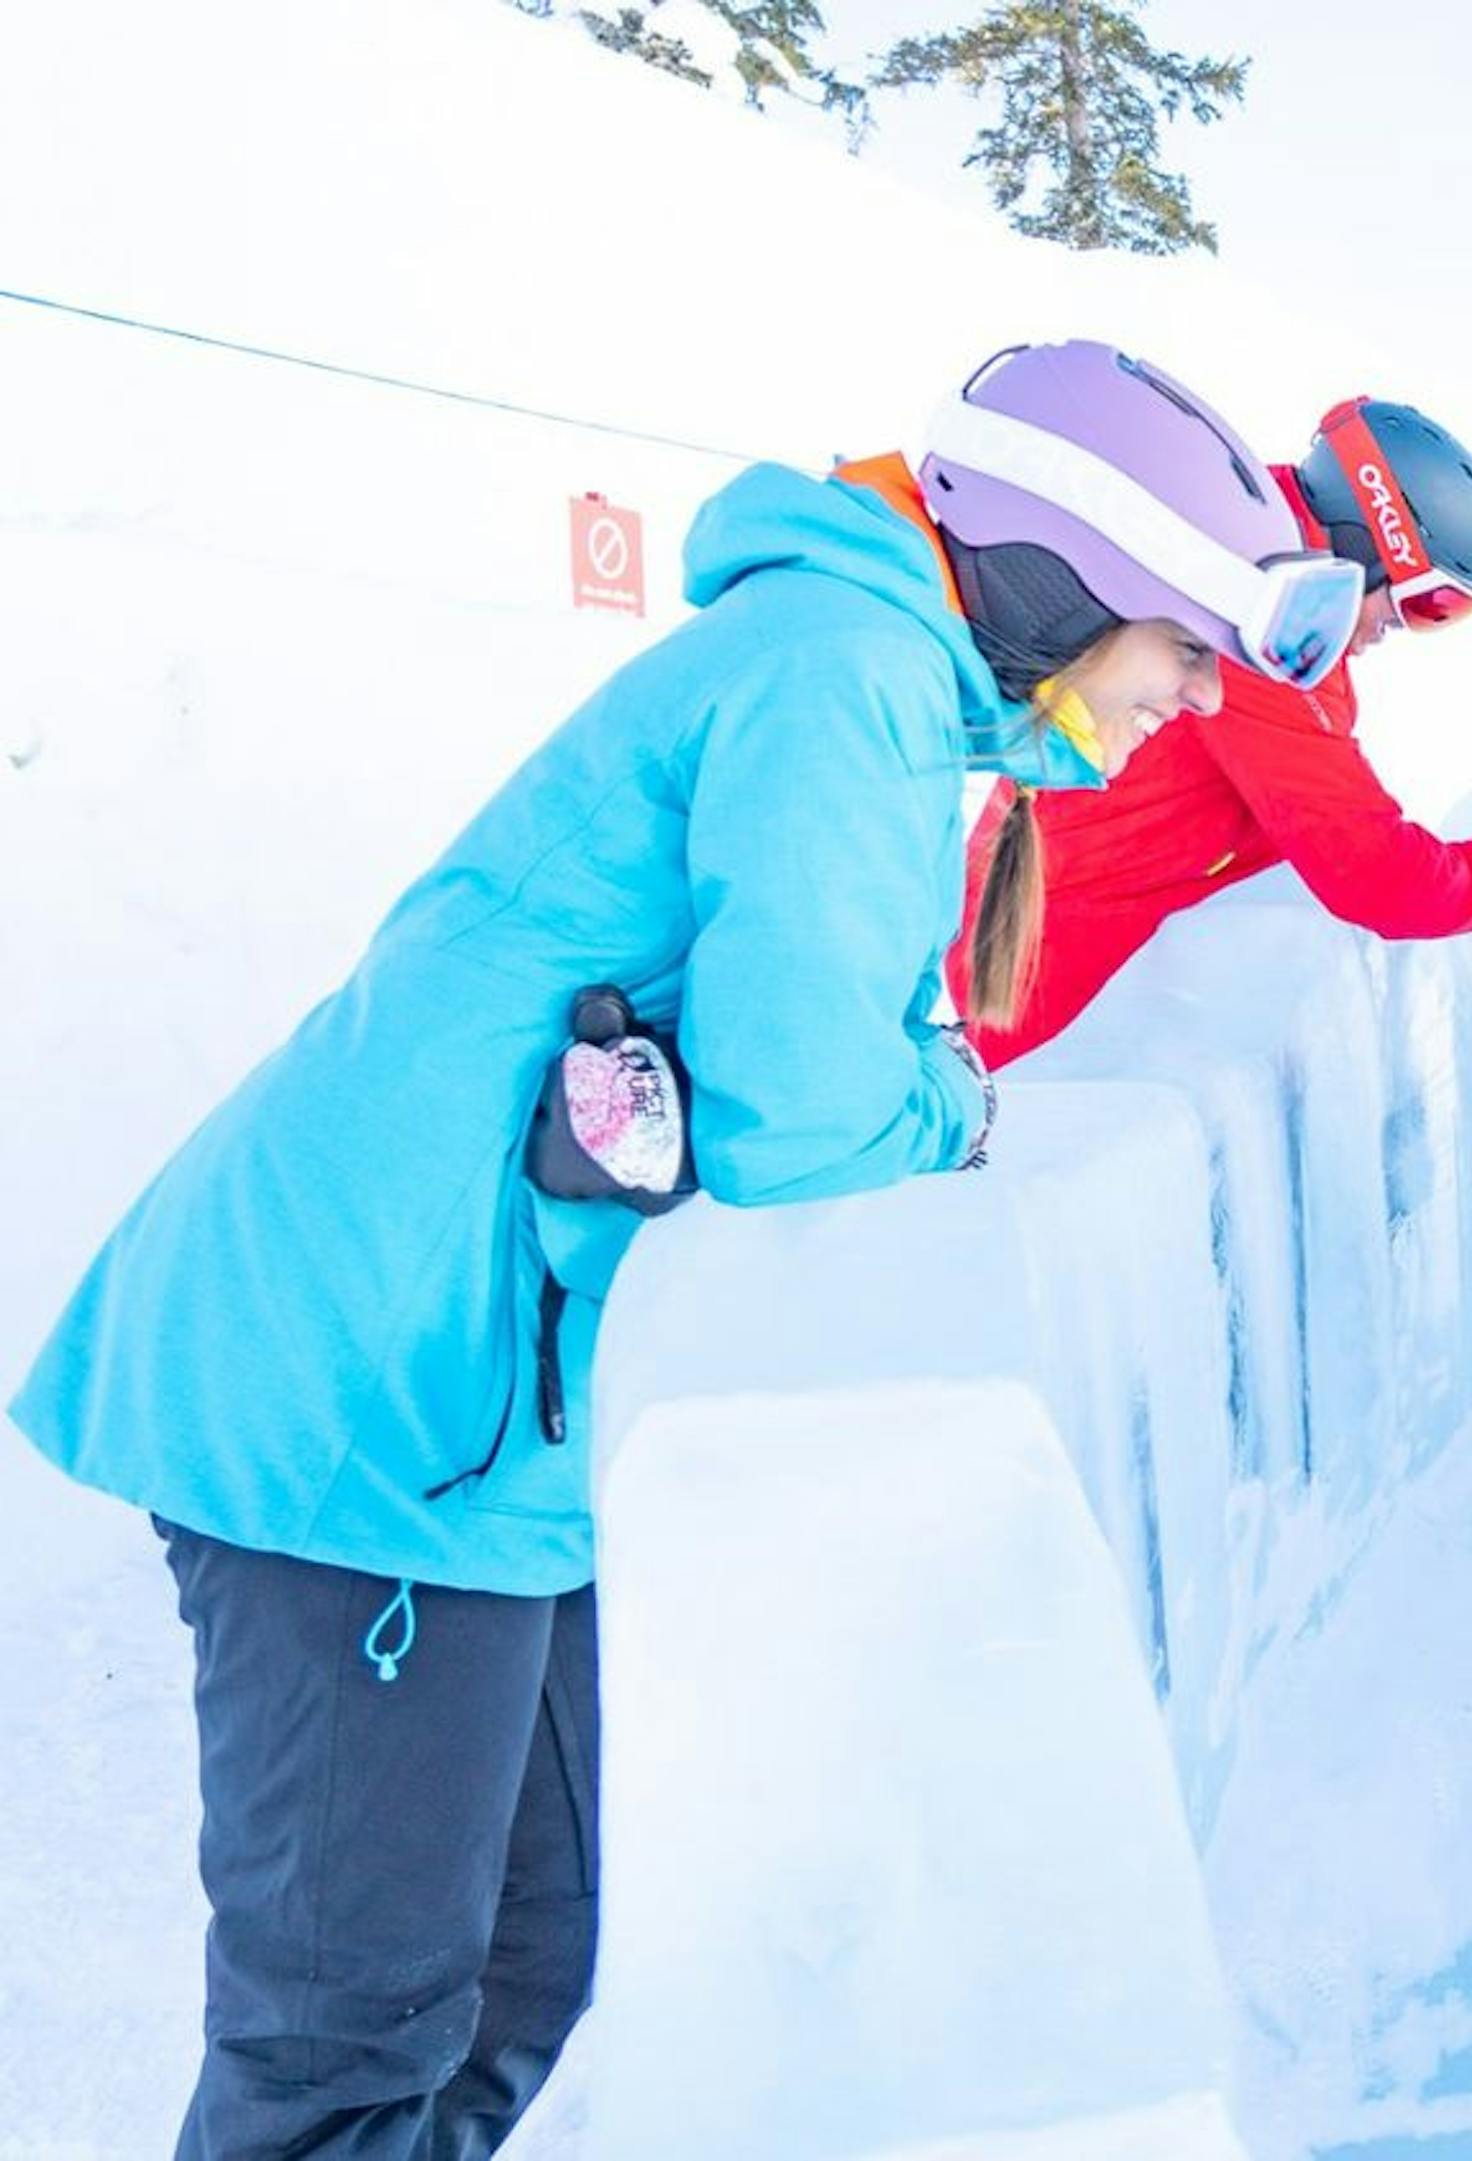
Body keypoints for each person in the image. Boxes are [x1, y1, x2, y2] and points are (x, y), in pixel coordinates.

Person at [7, 336, 1352, 2158]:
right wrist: (949, 1107)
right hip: (370, 1416)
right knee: (354, 2034)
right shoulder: (844, 678)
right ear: (1072, 578)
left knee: (520, 1976)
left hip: (497, 1427)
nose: (1198, 694)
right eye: (1185, 641)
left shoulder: (872, 681)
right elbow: (806, 1118)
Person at [952, 395, 1472, 1067]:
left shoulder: (1249, 545)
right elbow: (1372, 871)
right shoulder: (1264, 625)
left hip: (1039, 954)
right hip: (1041, 1006)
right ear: (1369, 546)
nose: (1400, 629)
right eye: (1421, 602)